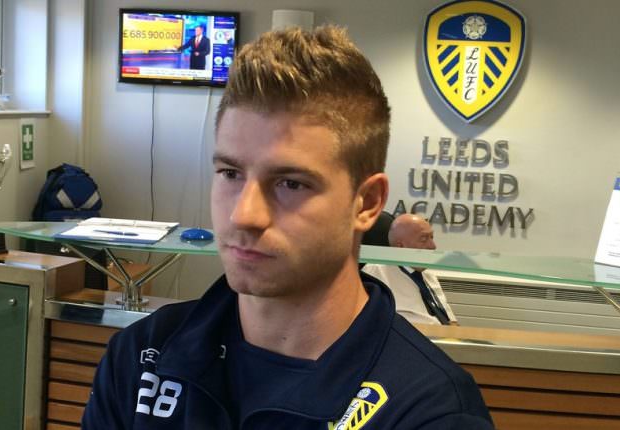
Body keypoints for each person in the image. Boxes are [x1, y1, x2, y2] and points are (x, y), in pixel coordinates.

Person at [82, 25, 493, 429]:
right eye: (230, 173)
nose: (244, 215)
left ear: (367, 203)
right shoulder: (141, 356)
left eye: (291, 183)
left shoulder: (430, 412)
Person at [363, 214, 458, 325]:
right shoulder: (376, 272)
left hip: (440, 334)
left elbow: (450, 320)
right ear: (400, 247)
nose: (433, 246)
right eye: (424, 239)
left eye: (432, 237)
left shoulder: (427, 275)